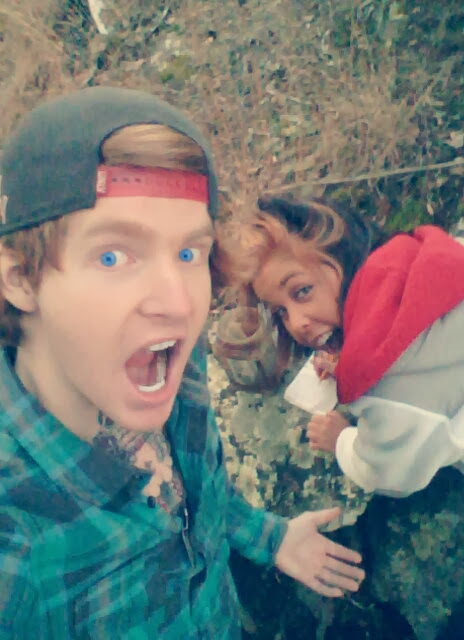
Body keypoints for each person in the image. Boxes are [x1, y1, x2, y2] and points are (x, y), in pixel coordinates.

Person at [0, 88, 364, 639]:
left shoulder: (174, 365)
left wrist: (270, 538)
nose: (179, 304)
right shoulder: (16, 549)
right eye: (113, 256)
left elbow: (202, 489)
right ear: (19, 278)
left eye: (189, 253)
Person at [215, 194, 464, 496]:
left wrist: (341, 439)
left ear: (338, 254)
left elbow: (391, 477)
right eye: (281, 312)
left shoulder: (391, 395)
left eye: (302, 291)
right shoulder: (443, 254)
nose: (296, 323)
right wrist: (348, 349)